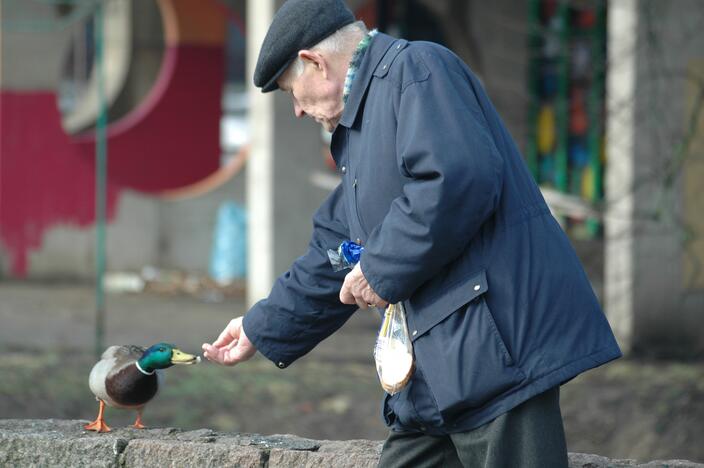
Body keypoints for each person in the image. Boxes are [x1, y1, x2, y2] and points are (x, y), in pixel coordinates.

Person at [202, 0, 622, 466]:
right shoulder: (362, 127)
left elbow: (458, 178)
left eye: (291, 92)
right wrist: (261, 328)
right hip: (436, 377)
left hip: (500, 357)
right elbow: (333, 252)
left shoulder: (417, 68)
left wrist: (378, 270)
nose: (297, 111)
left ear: (314, 63)